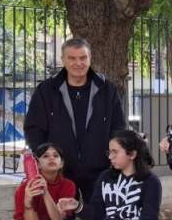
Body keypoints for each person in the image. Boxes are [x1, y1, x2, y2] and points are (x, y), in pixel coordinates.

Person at [23, 38, 126, 204]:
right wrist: (45, 160)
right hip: (59, 175)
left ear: (90, 58)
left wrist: (113, 159)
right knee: (61, 219)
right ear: (63, 60)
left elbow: (118, 128)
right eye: (72, 58)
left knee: (98, 218)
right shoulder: (46, 90)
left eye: (83, 58)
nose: (78, 63)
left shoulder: (107, 90)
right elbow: (33, 129)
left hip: (100, 173)